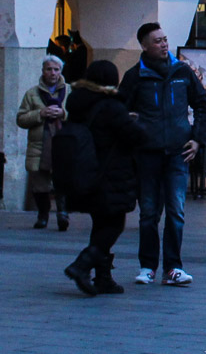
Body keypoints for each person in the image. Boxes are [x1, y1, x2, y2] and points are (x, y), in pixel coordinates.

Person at [119, 24, 206, 286]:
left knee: (176, 211)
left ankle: (173, 267)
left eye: (165, 39)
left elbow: (202, 104)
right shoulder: (135, 76)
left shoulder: (182, 71)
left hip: (178, 152)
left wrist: (197, 139)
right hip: (147, 154)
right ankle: (147, 266)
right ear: (145, 46)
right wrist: (131, 126)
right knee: (148, 212)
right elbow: (118, 110)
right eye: (157, 41)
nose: (163, 44)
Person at [61, 60, 145, 296]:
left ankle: (103, 277)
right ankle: (82, 264)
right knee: (114, 224)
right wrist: (135, 123)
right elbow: (133, 136)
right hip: (111, 173)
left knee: (101, 223)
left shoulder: (79, 102)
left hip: (86, 171)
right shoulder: (110, 106)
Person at [17, 54, 70, 230]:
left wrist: (63, 114)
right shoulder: (32, 94)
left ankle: (63, 213)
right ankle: (43, 214)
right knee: (40, 184)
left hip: (62, 143)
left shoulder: (69, 91)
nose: (53, 73)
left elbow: (79, 115)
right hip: (39, 145)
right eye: (49, 69)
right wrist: (40, 114)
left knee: (62, 180)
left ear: (61, 71)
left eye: (56, 69)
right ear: (43, 71)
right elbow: (21, 119)